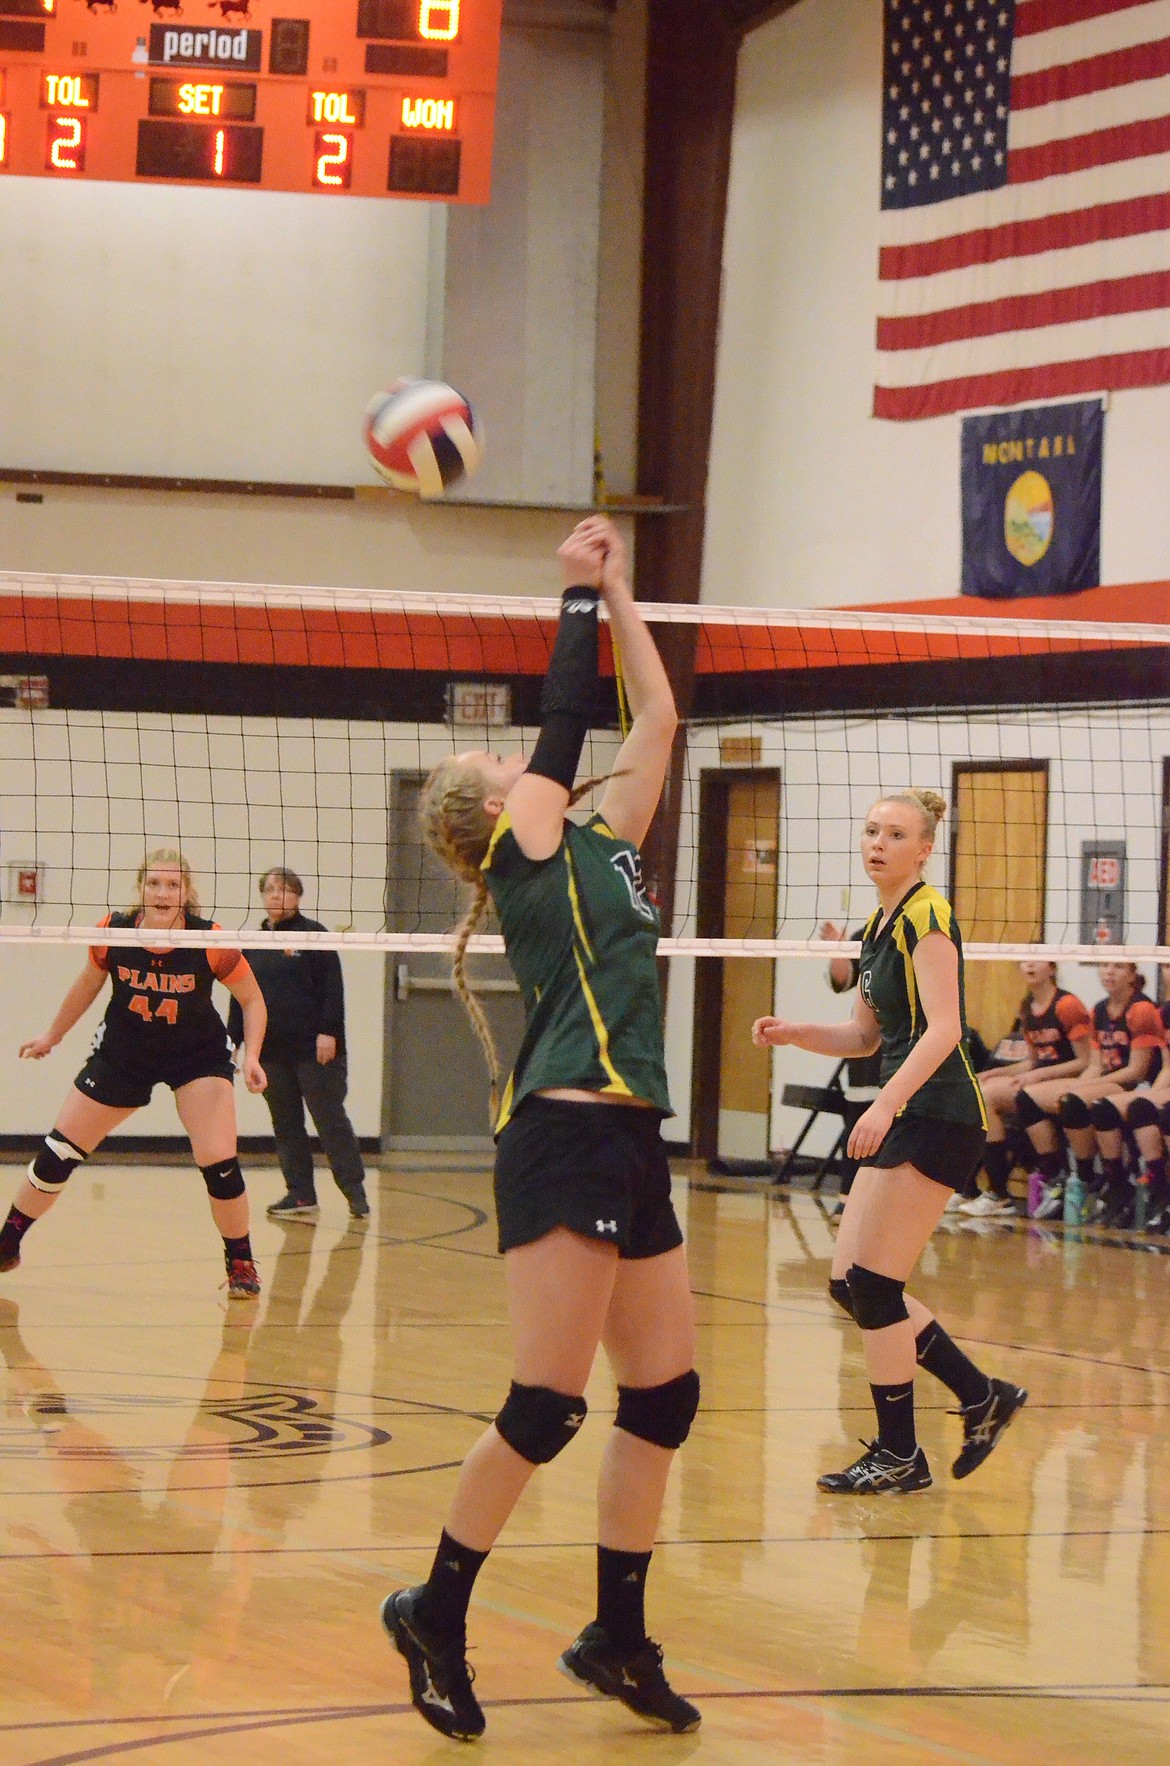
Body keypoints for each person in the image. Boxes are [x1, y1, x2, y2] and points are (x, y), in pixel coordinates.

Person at [378, 516, 700, 1741]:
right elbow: (568, 723)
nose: (528, 757)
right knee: (547, 1403)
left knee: (663, 1397)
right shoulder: (528, 853)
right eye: (510, 762)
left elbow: (657, 723)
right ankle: (435, 1609)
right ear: (498, 807)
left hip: (629, 1133)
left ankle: (615, 1633)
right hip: (562, 1136)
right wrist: (568, 593)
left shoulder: (602, 847)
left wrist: (619, 592)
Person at [753, 790, 1026, 1494]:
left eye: (895, 833)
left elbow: (944, 1029)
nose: (878, 843)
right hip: (912, 1111)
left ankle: (904, 1452)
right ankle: (980, 1395)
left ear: (925, 848)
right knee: (850, 1285)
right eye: (871, 830)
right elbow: (863, 1037)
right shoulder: (878, 924)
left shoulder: (929, 915)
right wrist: (796, 1032)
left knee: (876, 1285)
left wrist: (887, 1103)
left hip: (941, 1114)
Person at [0, 849, 267, 1298]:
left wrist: (252, 1055)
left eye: (173, 885)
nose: (163, 893)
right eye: (154, 884)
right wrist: (53, 1035)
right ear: (140, 889)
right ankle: (8, 1241)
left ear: (187, 893)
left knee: (220, 1165)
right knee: (58, 1152)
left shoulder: (210, 940)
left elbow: (253, 1000)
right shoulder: (113, 933)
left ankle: (240, 1261)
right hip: (125, 1052)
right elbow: (88, 983)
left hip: (197, 1056)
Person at [227, 867, 369, 1224]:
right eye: (271, 890)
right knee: (286, 1123)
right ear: (262, 896)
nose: (277, 895)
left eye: (286, 890)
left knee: (329, 1120)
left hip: (313, 1049)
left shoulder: (314, 936)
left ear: (298, 897)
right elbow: (240, 997)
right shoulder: (253, 943)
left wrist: (329, 1031)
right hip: (272, 1051)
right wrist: (236, 1042)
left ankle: (356, 1193)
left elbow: (333, 988)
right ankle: (301, 1193)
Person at [1018, 961, 1164, 1224]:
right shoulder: (1099, 1010)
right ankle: (1067, 1177)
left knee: (1094, 1104)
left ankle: (1116, 1182)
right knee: (1048, 1098)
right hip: (1111, 1079)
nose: (1109, 972)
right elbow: (1096, 1065)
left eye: (1118, 967)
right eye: (1105, 966)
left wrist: (1083, 1088)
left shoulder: (1141, 1008)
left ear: (1132, 975)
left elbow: (1137, 1072)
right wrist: (1078, 1085)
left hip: (1134, 1084)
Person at [960, 961, 1092, 1219]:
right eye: (1024, 960)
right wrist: (995, 1072)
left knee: (1015, 1095)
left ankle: (1049, 1174)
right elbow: (1033, 1060)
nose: (1029, 965)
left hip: (1071, 1079)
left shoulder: (1067, 1005)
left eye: (1036, 959)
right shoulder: (1027, 1006)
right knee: (981, 1091)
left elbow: (1085, 1062)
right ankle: (996, 1192)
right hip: (1040, 1079)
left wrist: (1038, 1075)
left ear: (1052, 968)